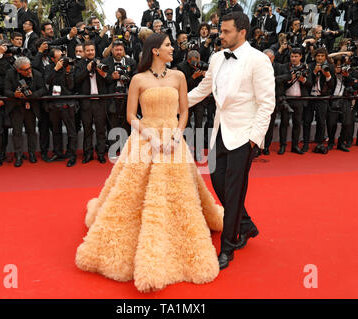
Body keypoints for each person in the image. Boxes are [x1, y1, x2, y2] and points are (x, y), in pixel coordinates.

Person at [75, 33, 224, 292]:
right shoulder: (138, 79)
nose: (172, 48)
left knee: (180, 195)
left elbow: (185, 109)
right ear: (154, 50)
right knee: (131, 194)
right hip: (146, 138)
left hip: (174, 140)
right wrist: (149, 136)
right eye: (167, 45)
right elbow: (131, 115)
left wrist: (178, 133)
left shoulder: (178, 76)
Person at [187, 11, 275, 269]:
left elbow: (266, 103)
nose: (220, 35)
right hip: (220, 132)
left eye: (226, 31)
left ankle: (229, 245)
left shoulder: (258, 61)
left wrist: (254, 139)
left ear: (242, 32)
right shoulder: (216, 58)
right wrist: (176, 102)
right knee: (217, 181)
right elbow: (203, 90)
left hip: (243, 136)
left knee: (235, 190)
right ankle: (246, 225)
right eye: (220, 30)